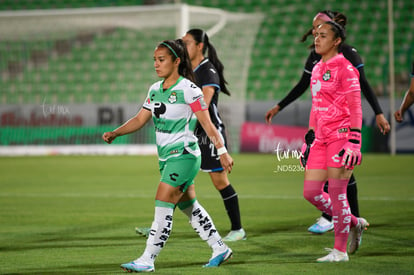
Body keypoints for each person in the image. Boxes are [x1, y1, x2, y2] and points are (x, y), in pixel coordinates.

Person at [103, 39, 233, 272]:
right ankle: (219, 247)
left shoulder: (189, 89)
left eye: (161, 60)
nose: (156, 64)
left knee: (162, 202)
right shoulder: (154, 89)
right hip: (166, 159)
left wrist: (222, 151)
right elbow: (139, 119)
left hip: (184, 156)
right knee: (190, 207)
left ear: (176, 61)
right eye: (154, 60)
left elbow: (208, 123)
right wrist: (116, 133)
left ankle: (147, 259)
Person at [265, 10, 390, 234]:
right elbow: (306, 89)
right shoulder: (315, 59)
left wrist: (378, 113)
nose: (315, 32)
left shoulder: (347, 55)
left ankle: (342, 223)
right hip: (323, 129)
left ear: (334, 33)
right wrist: (280, 106)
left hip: (341, 128)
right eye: (314, 29)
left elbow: (363, 85)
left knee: (339, 178)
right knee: (322, 181)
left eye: (320, 28)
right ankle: (347, 219)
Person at [136, 29, 246, 242]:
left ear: (199, 47)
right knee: (180, 184)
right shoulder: (187, 70)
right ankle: (158, 226)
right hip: (189, 135)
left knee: (220, 181)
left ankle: (237, 229)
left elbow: (201, 104)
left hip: (208, 133)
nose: (184, 45)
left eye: (188, 42)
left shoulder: (207, 71)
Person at [303, 21, 369, 262]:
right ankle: (353, 222)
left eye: (323, 36)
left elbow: (355, 107)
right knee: (311, 192)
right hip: (320, 138)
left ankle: (340, 252)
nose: (317, 40)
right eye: (315, 35)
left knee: (338, 193)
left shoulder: (346, 68)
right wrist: (308, 140)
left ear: (336, 41)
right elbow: (315, 105)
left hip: (341, 136)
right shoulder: (318, 68)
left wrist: (354, 141)